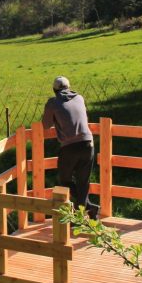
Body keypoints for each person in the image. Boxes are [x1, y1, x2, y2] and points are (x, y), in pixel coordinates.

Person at [42, 76, 100, 220]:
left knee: (65, 179)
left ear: (54, 90)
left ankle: (87, 209)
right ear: (69, 87)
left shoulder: (53, 103)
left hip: (69, 146)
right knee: (83, 181)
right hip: (88, 143)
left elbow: (45, 125)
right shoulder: (79, 98)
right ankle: (89, 210)